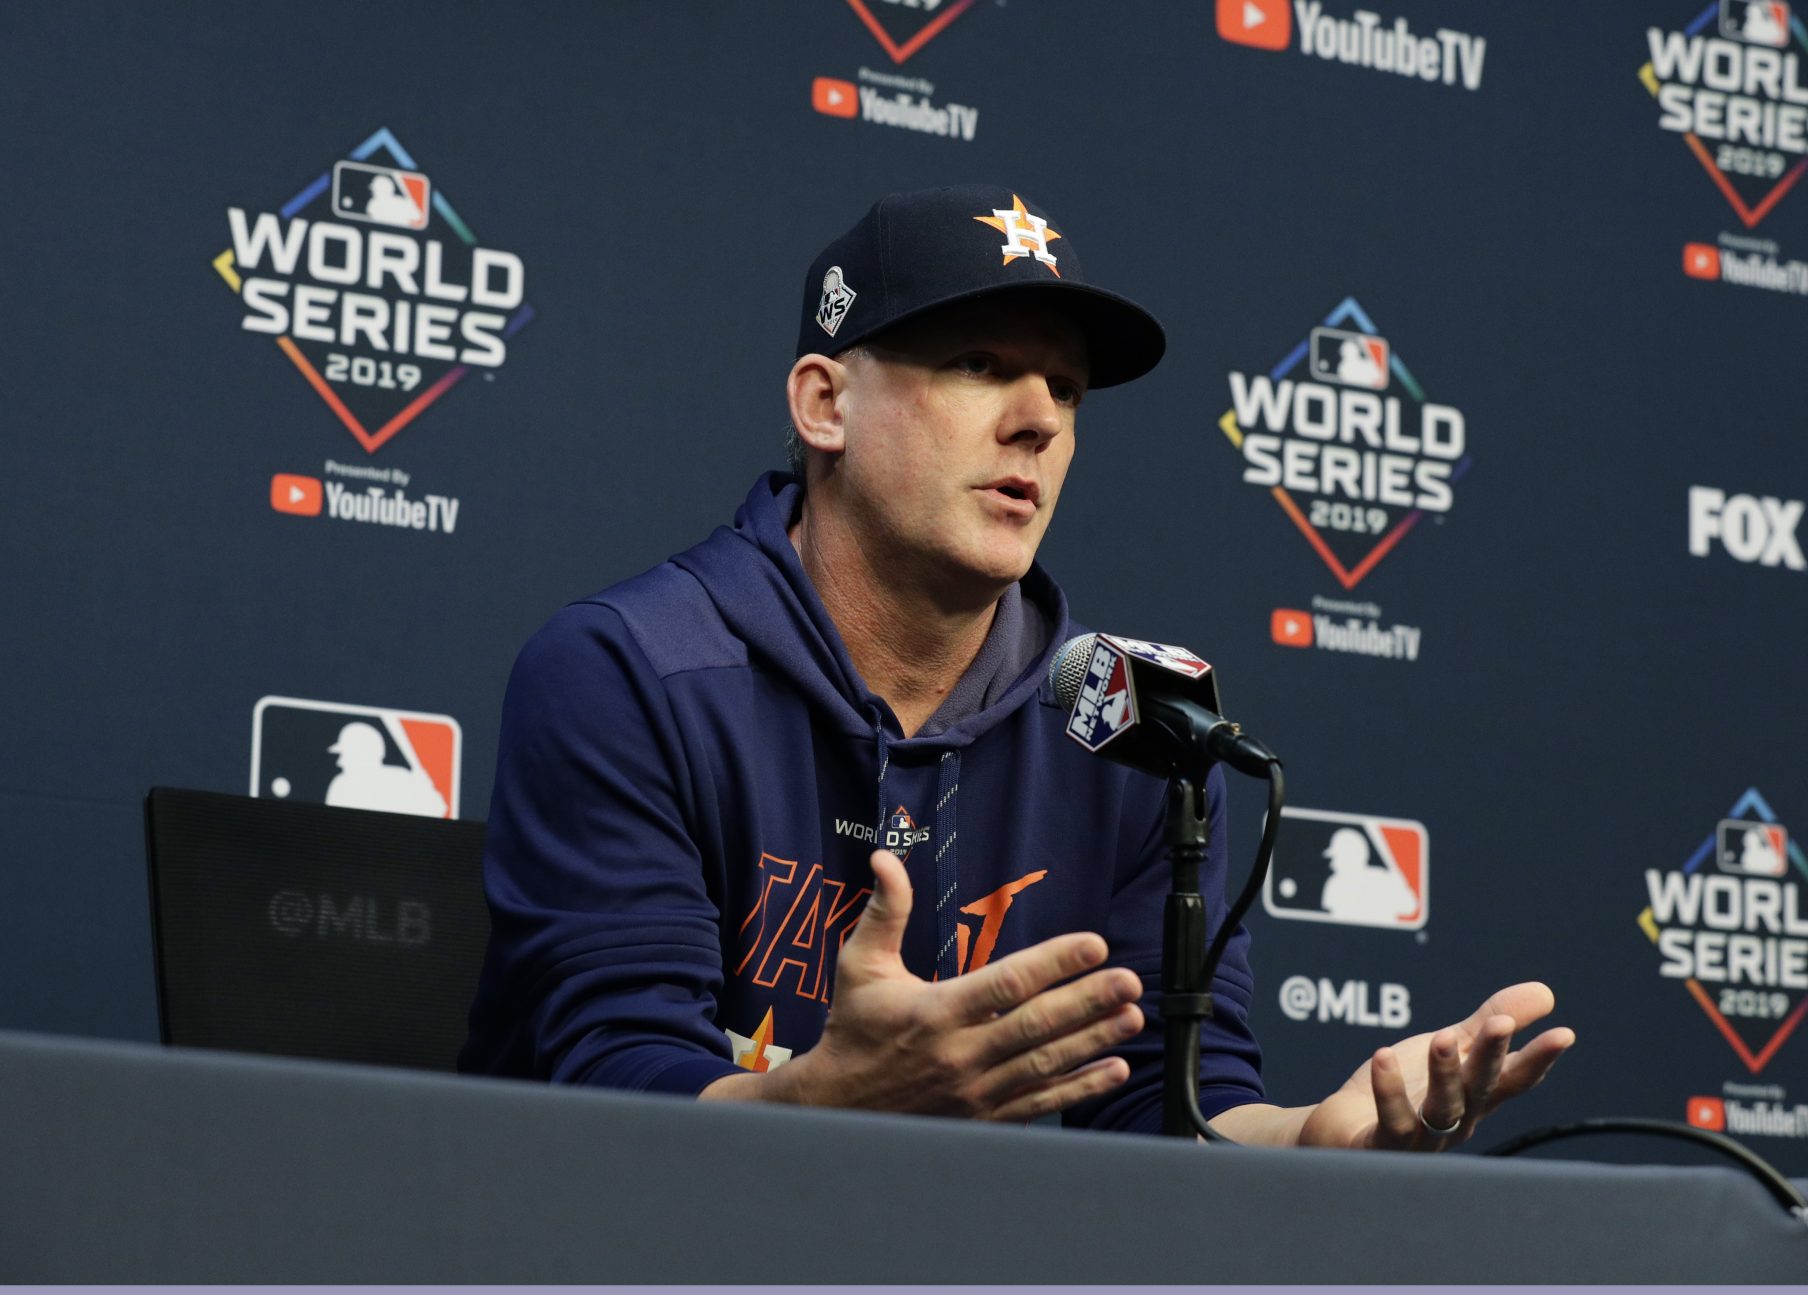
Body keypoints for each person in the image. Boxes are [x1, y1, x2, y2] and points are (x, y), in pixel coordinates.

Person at [461, 185, 1573, 1145]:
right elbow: (609, 1090)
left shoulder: (1137, 729)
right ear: (824, 402)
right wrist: (826, 1102)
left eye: (1068, 389)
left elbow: (1168, 1109)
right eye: (978, 364)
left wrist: (1314, 1142)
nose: (1039, 419)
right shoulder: (628, 670)